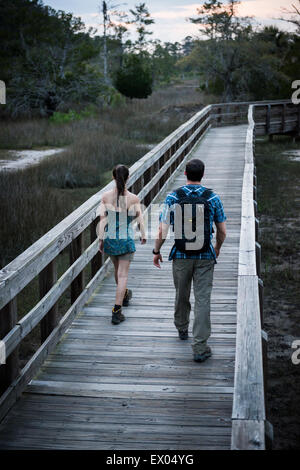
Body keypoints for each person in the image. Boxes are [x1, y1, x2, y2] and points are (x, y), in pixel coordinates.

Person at [152, 158, 227, 362]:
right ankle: (200, 347)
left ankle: (182, 328)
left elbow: (162, 229)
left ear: (185, 174)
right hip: (205, 255)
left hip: (181, 255)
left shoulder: (172, 197)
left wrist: (156, 251)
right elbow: (222, 230)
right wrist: (217, 247)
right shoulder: (213, 198)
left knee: (181, 292)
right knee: (203, 299)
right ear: (202, 175)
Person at [98, 164, 146, 324]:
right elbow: (140, 218)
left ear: (113, 177)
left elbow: (103, 220)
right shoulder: (133, 198)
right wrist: (143, 234)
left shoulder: (105, 196)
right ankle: (117, 310)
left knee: (118, 272)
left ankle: (124, 295)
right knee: (122, 275)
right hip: (125, 239)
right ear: (128, 178)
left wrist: (100, 239)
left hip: (111, 239)